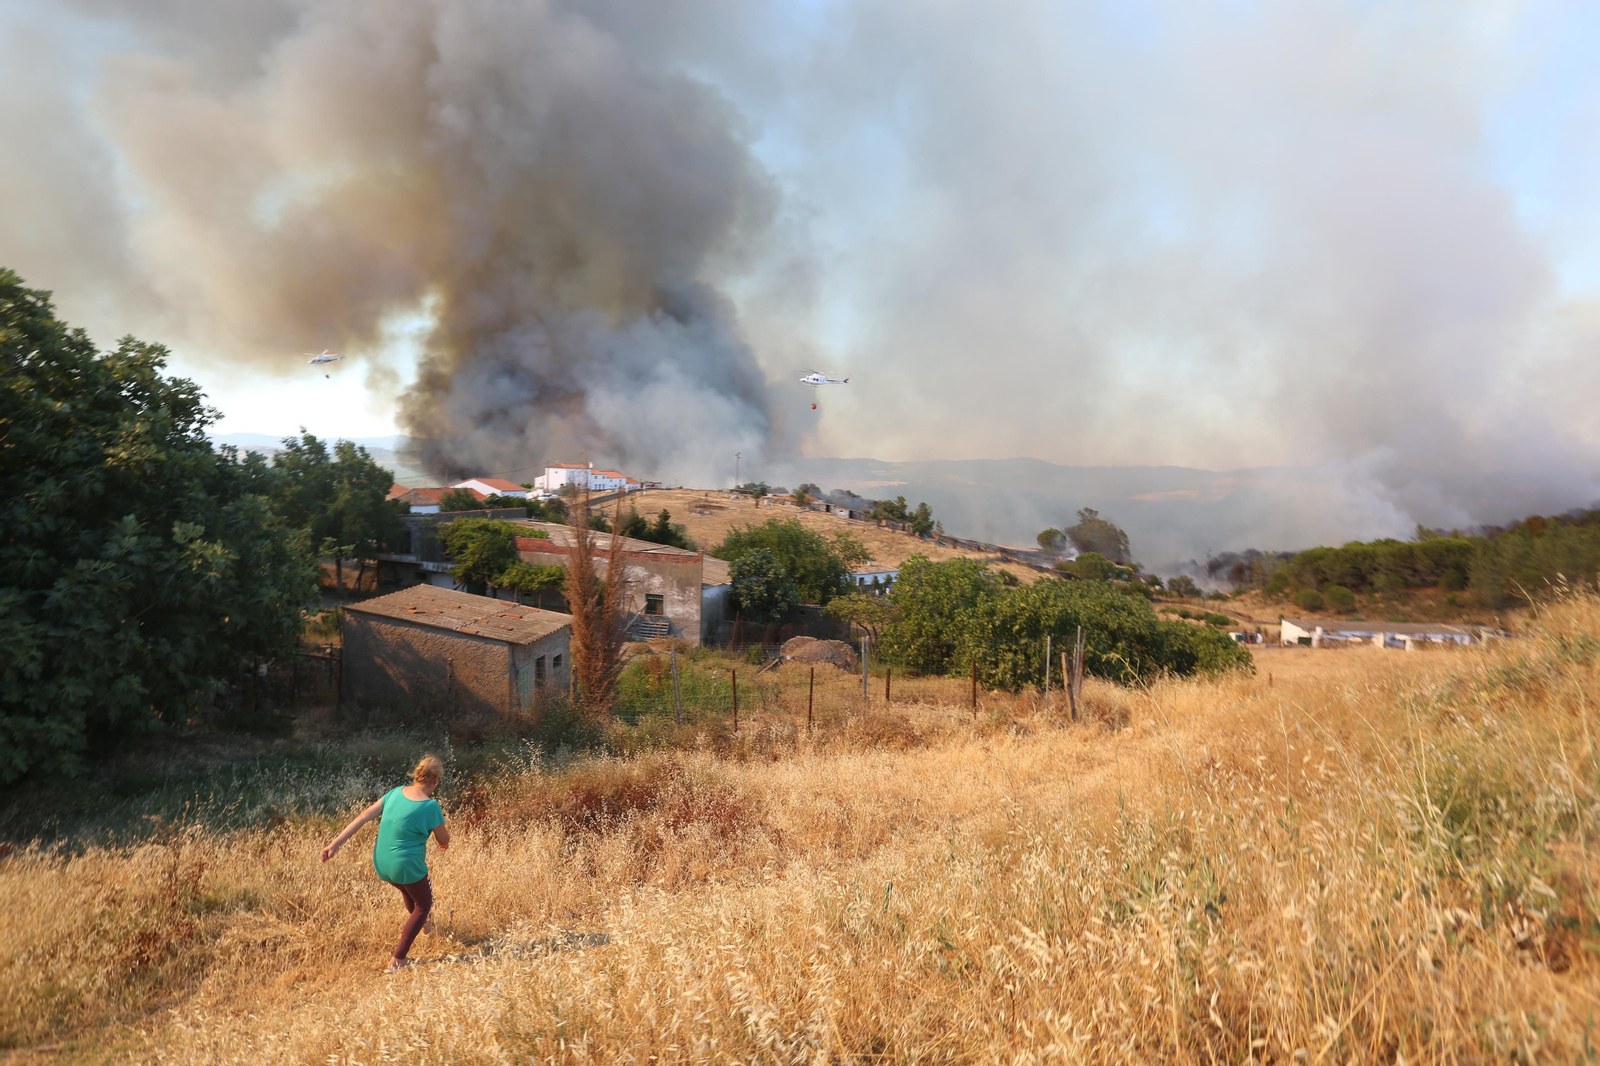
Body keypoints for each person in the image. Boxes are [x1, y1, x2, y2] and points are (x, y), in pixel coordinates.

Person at [321, 754, 451, 972]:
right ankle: (398, 959)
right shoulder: (430, 806)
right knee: (424, 904)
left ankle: (425, 925)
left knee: (409, 892)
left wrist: (333, 845)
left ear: (417, 775)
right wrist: (445, 844)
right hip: (406, 865)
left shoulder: (395, 793)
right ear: (436, 781)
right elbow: (443, 838)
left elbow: (362, 817)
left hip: (382, 863)